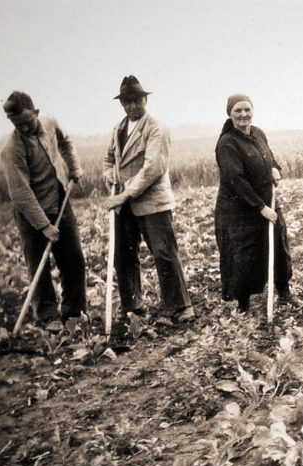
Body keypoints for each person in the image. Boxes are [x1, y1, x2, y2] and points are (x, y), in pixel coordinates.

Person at [103, 76, 195, 322]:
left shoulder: (156, 128)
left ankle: (180, 308)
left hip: (152, 202)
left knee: (163, 253)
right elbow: (109, 159)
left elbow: (152, 168)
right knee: (125, 256)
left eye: (136, 100)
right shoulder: (118, 129)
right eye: (127, 101)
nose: (132, 106)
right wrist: (108, 174)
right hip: (125, 205)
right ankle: (134, 308)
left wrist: (123, 195)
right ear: (121, 103)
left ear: (145, 100)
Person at [1, 91, 87, 332]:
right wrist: (44, 225)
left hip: (60, 200)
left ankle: (75, 312)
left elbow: (67, 142)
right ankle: (48, 316)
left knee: (74, 259)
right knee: (38, 265)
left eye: (28, 122)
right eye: (18, 125)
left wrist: (75, 167)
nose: (24, 128)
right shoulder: (13, 149)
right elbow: (20, 193)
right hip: (31, 214)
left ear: (36, 113)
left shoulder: (50, 123)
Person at [214, 94, 292, 312]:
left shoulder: (258, 133)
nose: (243, 114)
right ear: (230, 114)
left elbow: (268, 155)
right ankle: (243, 305)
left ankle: (284, 293)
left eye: (247, 109)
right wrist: (261, 208)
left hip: (267, 200)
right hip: (239, 210)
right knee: (243, 256)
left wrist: (274, 167)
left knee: (278, 245)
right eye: (238, 110)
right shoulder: (227, 143)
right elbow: (236, 180)